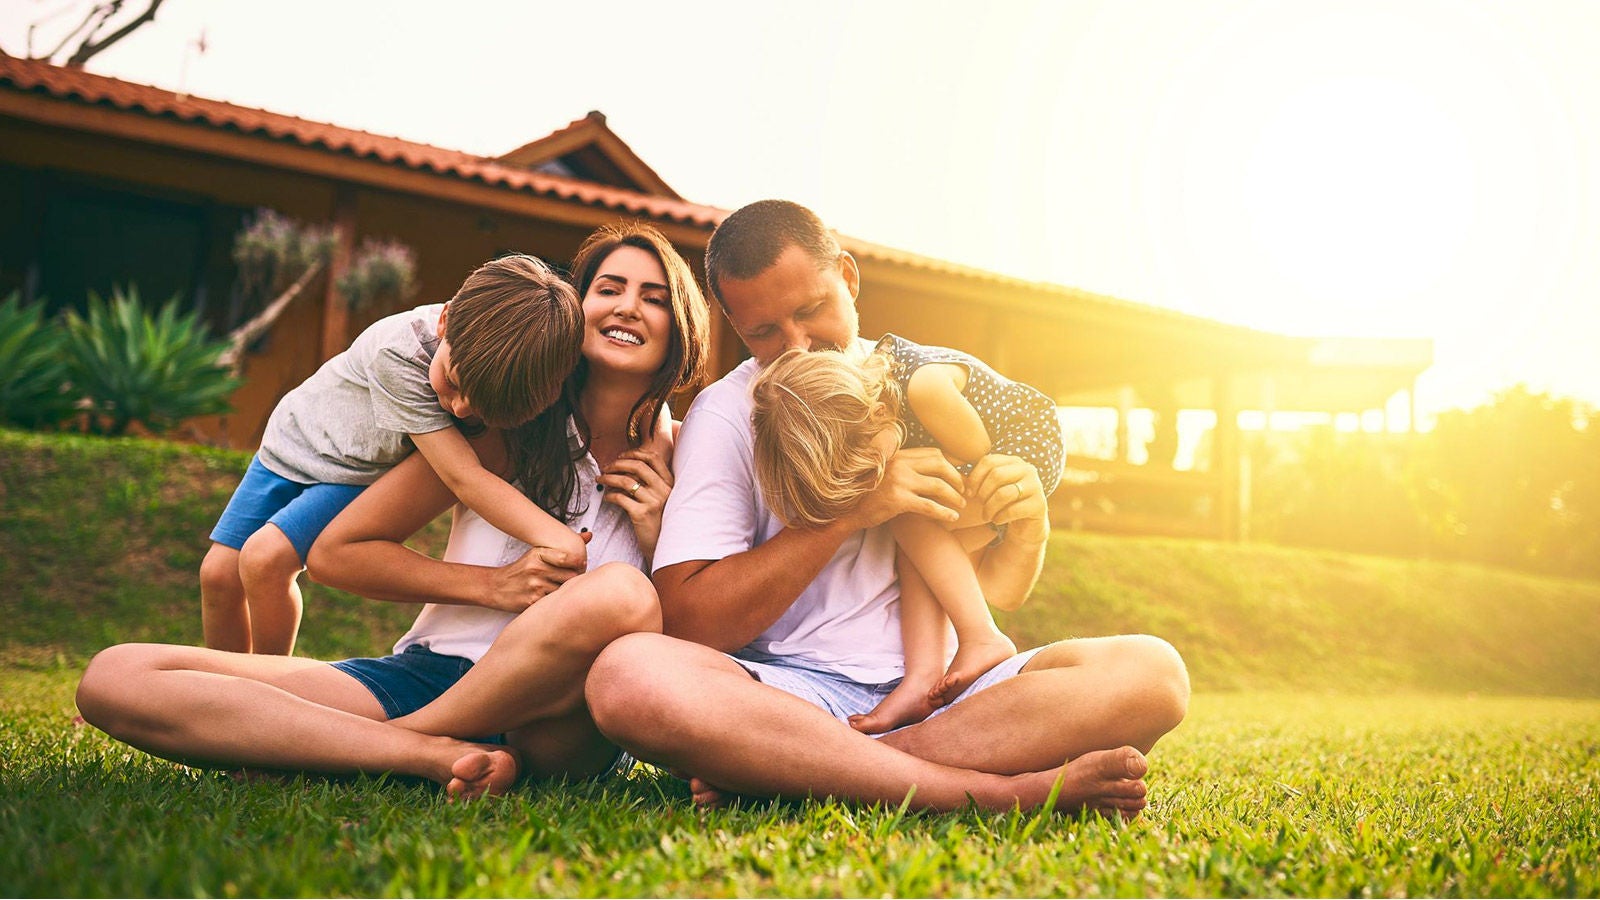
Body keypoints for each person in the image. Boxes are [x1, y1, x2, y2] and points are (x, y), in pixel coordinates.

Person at [584, 200, 1189, 816]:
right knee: (627, 675)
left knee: (1152, 673)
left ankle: (815, 766)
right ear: (735, 325)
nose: (796, 345)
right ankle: (1000, 792)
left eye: (810, 311)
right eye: (763, 332)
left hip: (954, 693)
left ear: (848, 277)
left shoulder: (930, 387)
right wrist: (852, 510)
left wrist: (1028, 529)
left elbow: (989, 589)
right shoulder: (727, 412)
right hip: (793, 694)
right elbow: (690, 623)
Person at [75, 222, 710, 795]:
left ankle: (397, 740)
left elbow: (706, 640)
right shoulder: (504, 427)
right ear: (576, 311)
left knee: (620, 594)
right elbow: (337, 554)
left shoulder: (690, 458)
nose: (628, 305)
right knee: (117, 675)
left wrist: (658, 537)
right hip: (431, 673)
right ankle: (423, 753)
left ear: (683, 325)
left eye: (654, 297)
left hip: (567, 715)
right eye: (610, 287)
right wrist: (494, 587)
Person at [200, 254, 587, 656]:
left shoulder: (482, 358)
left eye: (478, 407)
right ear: (445, 320)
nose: (458, 409)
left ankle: (262, 684)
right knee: (218, 575)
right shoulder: (400, 355)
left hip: (350, 468)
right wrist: (559, 539)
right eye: (453, 384)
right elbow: (463, 477)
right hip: (292, 443)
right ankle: (218, 692)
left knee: (265, 561)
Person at [750, 331, 1064, 734]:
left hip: (1021, 448)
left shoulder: (924, 388)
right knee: (918, 547)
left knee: (912, 518)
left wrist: (975, 499)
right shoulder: (885, 398)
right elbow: (1002, 589)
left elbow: (976, 450)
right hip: (995, 460)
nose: (873, 480)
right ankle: (924, 677)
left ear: (878, 412)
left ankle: (982, 637)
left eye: (868, 467)